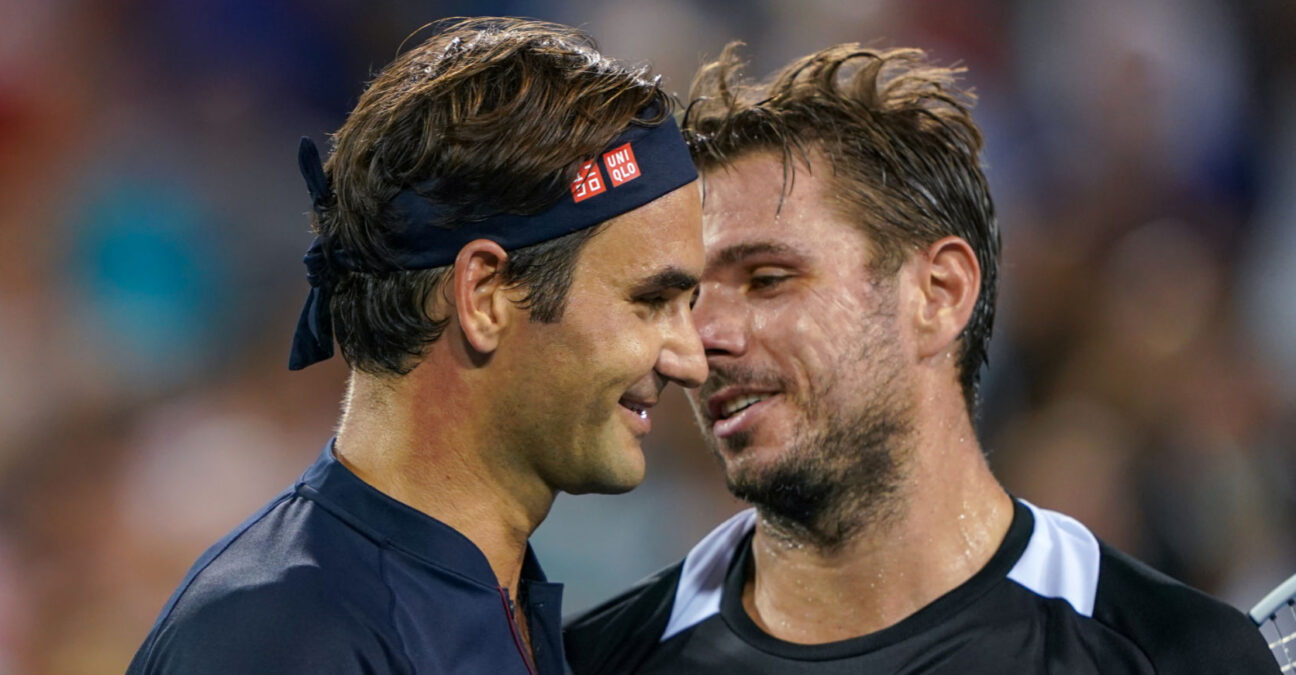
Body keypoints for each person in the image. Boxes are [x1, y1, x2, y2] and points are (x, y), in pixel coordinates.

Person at [563, 43, 1279, 674]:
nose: (699, 341)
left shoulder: (1176, 653)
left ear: (938, 295)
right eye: (689, 298)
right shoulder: (587, 662)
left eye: (767, 279)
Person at [128, 18, 706, 675]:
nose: (690, 359)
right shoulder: (281, 639)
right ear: (484, 296)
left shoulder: (497, 604)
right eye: (651, 301)